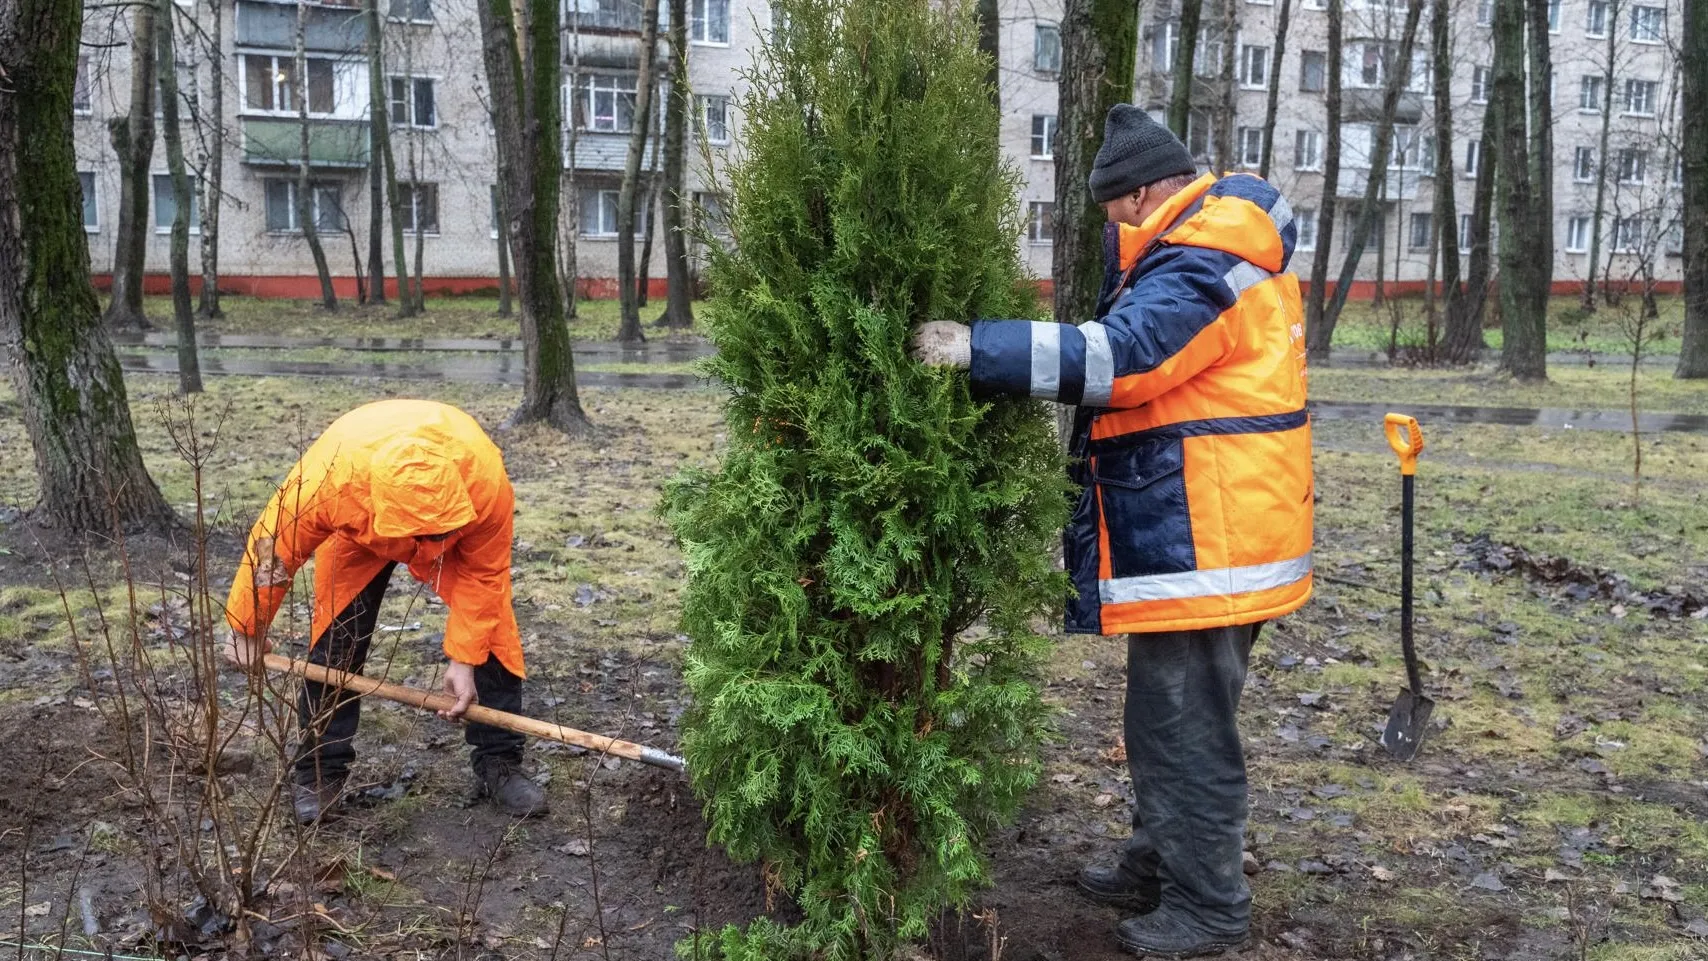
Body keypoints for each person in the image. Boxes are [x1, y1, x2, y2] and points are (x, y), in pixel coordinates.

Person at [911, 104, 1312, 958]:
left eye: (1107, 211)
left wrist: (976, 349)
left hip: (1214, 538)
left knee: (1186, 727)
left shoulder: (1208, 256)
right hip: (1206, 529)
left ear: (1134, 198)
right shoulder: (1199, 243)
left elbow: (1120, 360)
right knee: (1162, 716)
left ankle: (1208, 905)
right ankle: (1160, 856)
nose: (1109, 227)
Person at [222, 399, 548, 824]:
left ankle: (499, 763)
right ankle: (320, 771)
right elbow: (273, 549)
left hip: (461, 538)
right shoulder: (331, 480)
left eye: (435, 531)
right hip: (361, 533)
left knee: (493, 632)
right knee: (337, 639)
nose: (424, 544)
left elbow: (485, 577)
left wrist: (464, 659)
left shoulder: (484, 483)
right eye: (419, 534)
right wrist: (248, 625)